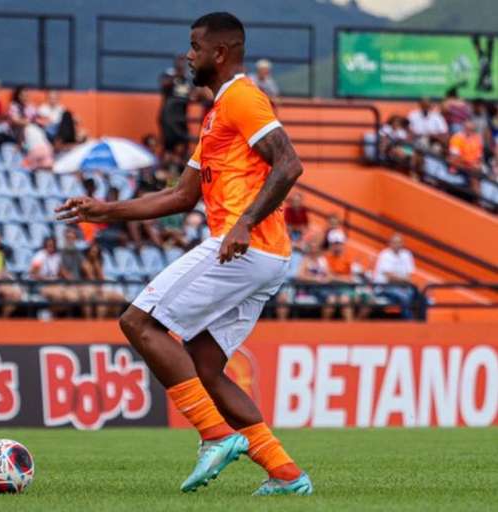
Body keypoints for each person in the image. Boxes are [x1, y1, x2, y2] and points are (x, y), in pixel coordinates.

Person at [56, 12, 311, 496]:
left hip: (245, 245)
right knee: (206, 365)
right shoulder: (217, 113)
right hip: (265, 254)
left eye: (195, 47)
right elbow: (181, 196)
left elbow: (289, 163)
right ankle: (286, 474)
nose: (187, 56)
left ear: (220, 52)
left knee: (138, 322)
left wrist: (243, 222)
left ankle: (214, 435)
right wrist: (107, 210)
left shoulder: (242, 97)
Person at [30, 237, 78, 317]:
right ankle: (49, 314)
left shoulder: (57, 257)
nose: (50, 247)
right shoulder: (39, 256)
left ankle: (50, 312)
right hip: (42, 285)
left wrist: (72, 280)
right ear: (45, 245)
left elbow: (63, 272)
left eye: (52, 245)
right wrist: (45, 278)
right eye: (48, 245)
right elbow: (33, 274)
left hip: (56, 284)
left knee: (73, 297)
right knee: (58, 295)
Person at [374, 233, 417, 319]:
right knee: (403, 296)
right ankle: (409, 322)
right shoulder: (384, 255)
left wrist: (404, 281)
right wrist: (404, 280)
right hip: (385, 288)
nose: (397, 245)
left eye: (399, 242)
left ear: (403, 243)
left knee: (419, 295)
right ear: (390, 243)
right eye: (395, 242)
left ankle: (420, 322)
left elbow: (409, 276)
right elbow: (390, 278)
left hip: (402, 287)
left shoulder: (407, 254)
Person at [159, 55, 193, 159]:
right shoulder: (169, 74)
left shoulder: (188, 78)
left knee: (184, 143)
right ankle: (166, 165)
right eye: (179, 61)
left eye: (183, 61)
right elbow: (164, 84)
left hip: (182, 117)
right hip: (168, 117)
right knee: (169, 145)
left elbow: (194, 93)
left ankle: (182, 164)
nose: (181, 63)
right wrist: (177, 75)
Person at [82, 240, 126, 318]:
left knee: (119, 297)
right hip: (89, 286)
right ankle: (97, 321)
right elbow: (91, 278)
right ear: (88, 253)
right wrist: (96, 263)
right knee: (102, 298)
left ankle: (113, 318)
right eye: (93, 252)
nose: (94, 254)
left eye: (96, 252)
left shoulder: (99, 262)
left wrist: (97, 263)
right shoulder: (85, 263)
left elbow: (101, 278)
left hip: (100, 286)